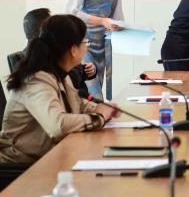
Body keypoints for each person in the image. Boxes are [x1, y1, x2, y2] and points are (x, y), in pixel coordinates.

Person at [0, 15, 118, 163]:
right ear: (73, 50)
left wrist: (102, 108)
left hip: (46, 157)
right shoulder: (36, 79)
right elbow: (58, 126)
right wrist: (99, 118)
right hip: (19, 167)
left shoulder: (59, 74)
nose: (86, 47)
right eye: (85, 42)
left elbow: (78, 104)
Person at [20, 8, 96, 98]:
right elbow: (70, 79)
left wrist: (86, 70)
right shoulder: (40, 57)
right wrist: (81, 70)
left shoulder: (46, 50)